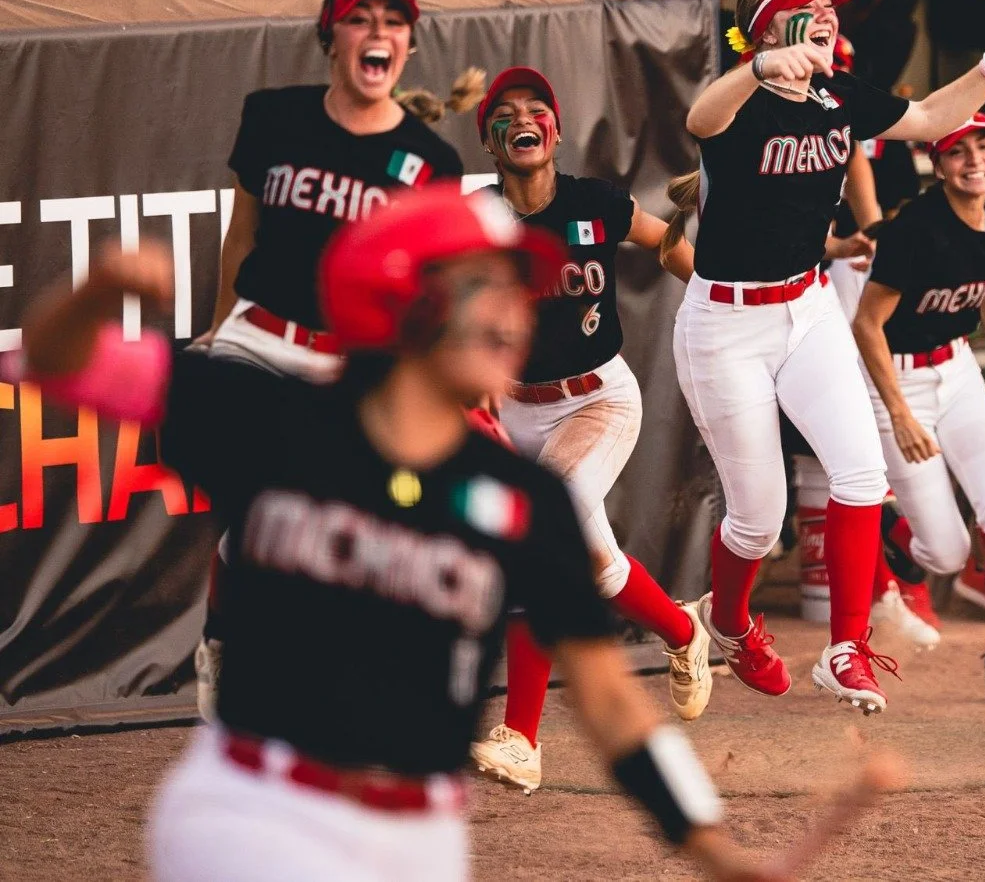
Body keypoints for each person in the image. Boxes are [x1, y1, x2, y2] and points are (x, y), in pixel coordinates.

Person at [11, 186, 859, 881]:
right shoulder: (269, 416)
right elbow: (57, 361)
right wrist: (100, 292)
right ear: (405, 296)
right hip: (257, 815)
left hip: (421, 840)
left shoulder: (525, 499)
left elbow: (608, 699)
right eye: (486, 286)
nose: (515, 314)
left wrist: (710, 844)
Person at [663, 0, 985, 714]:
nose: (829, 14)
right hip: (726, 323)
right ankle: (729, 621)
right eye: (810, 6)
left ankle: (845, 650)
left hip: (807, 309)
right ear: (768, 27)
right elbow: (699, 121)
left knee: (862, 475)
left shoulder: (837, 94)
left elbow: (929, 118)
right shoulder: (741, 96)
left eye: (831, 5)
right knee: (757, 518)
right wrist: (758, 67)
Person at [191, 0, 468, 721]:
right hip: (257, 338)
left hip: (347, 362)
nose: (378, 33)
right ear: (330, 36)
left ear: (409, 46)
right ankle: (229, 644)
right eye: (360, 18)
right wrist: (219, 326)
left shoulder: (432, 164)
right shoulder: (273, 117)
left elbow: (429, 290)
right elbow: (242, 233)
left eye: (393, 21)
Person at [465, 66, 710, 792]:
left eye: (535, 107)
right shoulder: (476, 219)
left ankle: (521, 738)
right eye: (505, 113)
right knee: (580, 559)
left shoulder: (595, 203)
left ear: (557, 129)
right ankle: (682, 630)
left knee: (545, 528)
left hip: (596, 400)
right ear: (489, 141)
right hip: (511, 407)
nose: (522, 119)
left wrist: (718, 295)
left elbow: (665, 240)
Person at [852, 113, 985, 698]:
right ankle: (893, 528)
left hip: (958, 370)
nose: (975, 160)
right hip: (899, 380)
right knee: (946, 555)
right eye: (958, 151)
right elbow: (867, 324)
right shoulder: (914, 230)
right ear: (939, 164)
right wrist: (899, 414)